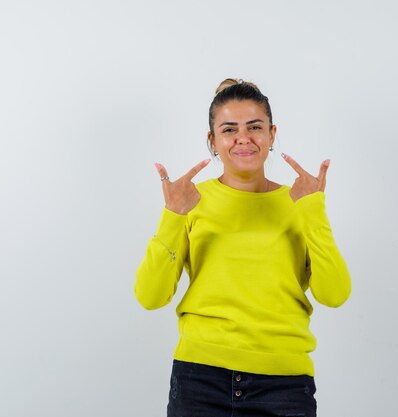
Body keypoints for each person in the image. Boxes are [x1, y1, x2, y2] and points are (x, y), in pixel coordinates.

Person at [134, 78, 351, 417]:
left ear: (272, 134)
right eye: (229, 129)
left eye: (254, 127)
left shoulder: (299, 203)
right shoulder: (191, 201)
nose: (243, 139)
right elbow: (150, 296)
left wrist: (314, 211)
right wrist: (173, 216)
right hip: (199, 379)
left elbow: (334, 294)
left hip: (285, 384)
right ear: (213, 140)